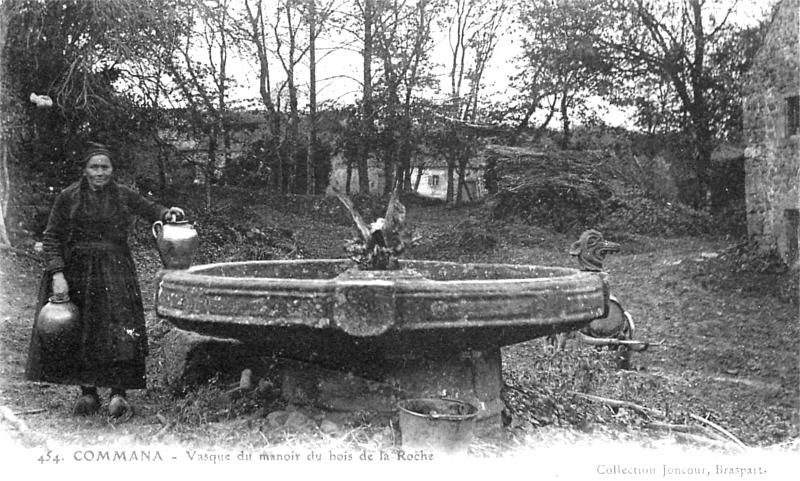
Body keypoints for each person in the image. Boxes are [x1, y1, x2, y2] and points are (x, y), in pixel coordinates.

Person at [25, 144, 186, 418]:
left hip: (115, 269)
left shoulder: (123, 194)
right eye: (94, 167)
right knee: (83, 330)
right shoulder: (68, 197)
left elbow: (150, 209)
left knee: (119, 329)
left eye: (105, 167)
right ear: (85, 170)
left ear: (112, 170)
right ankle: (88, 393)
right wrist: (57, 274)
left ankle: (118, 394)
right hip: (78, 271)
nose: (100, 172)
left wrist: (167, 214)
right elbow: (51, 236)